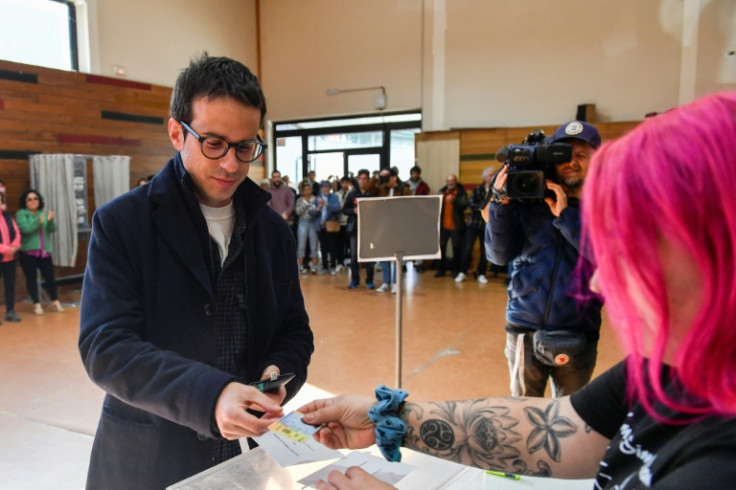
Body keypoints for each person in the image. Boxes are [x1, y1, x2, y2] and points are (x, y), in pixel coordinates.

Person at [300, 91, 736, 490]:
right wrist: (389, 419)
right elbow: (557, 429)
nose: (602, 280)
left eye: (634, 248)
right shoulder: (670, 370)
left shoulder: (717, 465)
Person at [77, 54, 314, 489]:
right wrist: (210, 396)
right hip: (150, 457)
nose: (231, 164)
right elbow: (105, 346)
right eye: (214, 143)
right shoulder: (123, 223)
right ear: (176, 132)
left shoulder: (272, 232)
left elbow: (295, 331)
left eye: (245, 147)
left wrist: (280, 374)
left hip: (246, 455)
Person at [485, 120, 603, 398]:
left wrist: (566, 217)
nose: (571, 162)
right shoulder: (529, 200)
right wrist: (501, 205)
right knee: (523, 417)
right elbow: (498, 255)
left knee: (571, 419)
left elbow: (607, 259)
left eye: (581, 155)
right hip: (523, 328)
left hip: (580, 331)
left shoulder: (607, 206)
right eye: (563, 155)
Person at [15, 189, 65, 316]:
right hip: (28, 253)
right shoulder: (21, 214)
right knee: (31, 279)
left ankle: (55, 301)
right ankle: (36, 304)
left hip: (45, 252)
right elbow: (25, 229)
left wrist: (51, 220)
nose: (33, 201)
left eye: (35, 198)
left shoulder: (42, 213)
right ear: (25, 202)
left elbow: (52, 229)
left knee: (50, 277)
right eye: (30, 199)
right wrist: (39, 221)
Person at [370, 168, 410, 293]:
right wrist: (377, 177)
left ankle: (396, 283)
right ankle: (386, 282)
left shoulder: (404, 189)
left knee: (397, 255)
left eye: (388, 178)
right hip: (383, 225)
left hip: (398, 225)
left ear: (394, 177)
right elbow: (370, 191)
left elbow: (409, 205)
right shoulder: (382, 188)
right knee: (384, 254)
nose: (386, 181)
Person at [456, 167, 493, 284]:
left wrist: (484, 208)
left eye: (494, 175)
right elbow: (471, 204)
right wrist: (485, 208)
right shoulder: (477, 190)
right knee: (467, 248)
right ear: (485, 177)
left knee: (484, 250)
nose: (492, 177)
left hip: (487, 225)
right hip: (474, 224)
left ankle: (481, 273)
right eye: (491, 175)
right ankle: (462, 272)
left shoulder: (496, 190)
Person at [344, 169, 375, 289]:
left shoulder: (371, 193)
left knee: (369, 256)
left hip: (369, 228)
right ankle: (354, 280)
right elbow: (345, 209)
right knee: (354, 255)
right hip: (354, 228)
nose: (362, 181)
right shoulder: (352, 194)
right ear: (357, 180)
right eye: (360, 178)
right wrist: (353, 211)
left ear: (368, 180)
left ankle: (369, 280)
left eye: (365, 179)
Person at [434, 174, 467, 279]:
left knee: (456, 249)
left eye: (452, 181)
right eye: (448, 181)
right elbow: (435, 206)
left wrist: (455, 201)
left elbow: (464, 205)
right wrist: (438, 198)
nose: (450, 183)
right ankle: (440, 270)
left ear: (456, 181)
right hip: (443, 226)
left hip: (456, 226)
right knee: (441, 248)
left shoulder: (461, 192)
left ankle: (455, 271)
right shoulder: (442, 191)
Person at [0, 191, 21, 322]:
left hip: (10, 258)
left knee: (10, 285)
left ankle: (10, 311)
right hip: (3, 255)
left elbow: (17, 232)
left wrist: (14, 247)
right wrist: (7, 249)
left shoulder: (7, 215)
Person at [295, 180, 321, 274]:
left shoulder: (316, 199)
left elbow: (318, 212)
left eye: (309, 189)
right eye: (305, 190)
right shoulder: (299, 200)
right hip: (303, 222)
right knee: (301, 245)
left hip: (313, 222)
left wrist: (317, 209)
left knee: (314, 245)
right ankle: (300, 266)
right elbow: (298, 212)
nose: (307, 192)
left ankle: (314, 265)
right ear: (302, 191)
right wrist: (306, 204)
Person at [316, 180, 342, 275]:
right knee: (323, 247)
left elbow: (338, 208)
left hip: (331, 225)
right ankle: (324, 266)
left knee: (332, 246)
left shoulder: (334, 197)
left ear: (330, 188)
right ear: (321, 188)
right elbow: (312, 212)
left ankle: (333, 266)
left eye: (327, 187)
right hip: (320, 225)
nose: (325, 189)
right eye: (323, 187)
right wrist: (317, 209)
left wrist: (326, 204)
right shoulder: (317, 198)